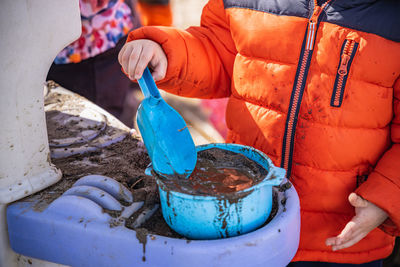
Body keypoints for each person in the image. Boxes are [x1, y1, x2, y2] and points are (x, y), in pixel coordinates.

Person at [118, 0, 400, 266]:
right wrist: (168, 55)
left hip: (341, 235)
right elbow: (218, 51)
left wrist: (386, 198)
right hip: (244, 219)